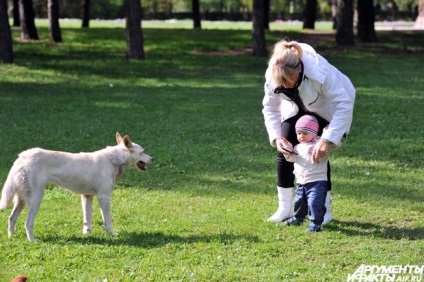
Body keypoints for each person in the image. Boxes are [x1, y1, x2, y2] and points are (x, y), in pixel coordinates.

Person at [262, 40, 355, 223]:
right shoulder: (274, 72)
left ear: (299, 70)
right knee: (286, 147)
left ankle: (323, 210)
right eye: (283, 84)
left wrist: (327, 139)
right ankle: (285, 208)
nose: (286, 87)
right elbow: (270, 108)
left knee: (317, 152)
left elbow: (343, 103)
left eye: (289, 82)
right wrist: (276, 138)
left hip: (325, 108)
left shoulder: (320, 72)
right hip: (295, 107)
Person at [282, 115, 335, 232]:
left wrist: (327, 135)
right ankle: (298, 218)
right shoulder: (297, 147)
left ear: (314, 133)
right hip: (301, 181)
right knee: (299, 201)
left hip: (317, 181)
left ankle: (316, 223)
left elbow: (333, 145)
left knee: (315, 203)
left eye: (305, 133)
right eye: (299, 133)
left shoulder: (319, 144)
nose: (301, 136)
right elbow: (291, 159)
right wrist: (288, 150)